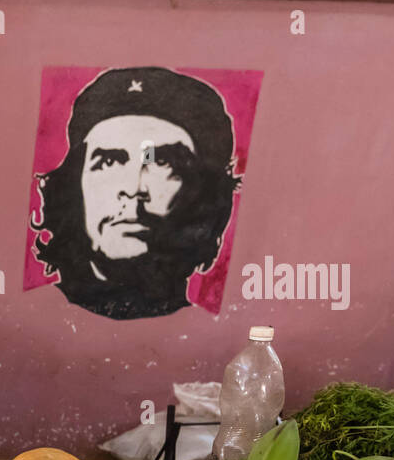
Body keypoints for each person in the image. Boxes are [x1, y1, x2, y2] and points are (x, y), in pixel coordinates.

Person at [30, 66, 242, 321]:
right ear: (73, 186)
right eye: (109, 162)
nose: (133, 189)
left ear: (204, 198)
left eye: (162, 163)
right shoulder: (27, 316)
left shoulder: (213, 333)